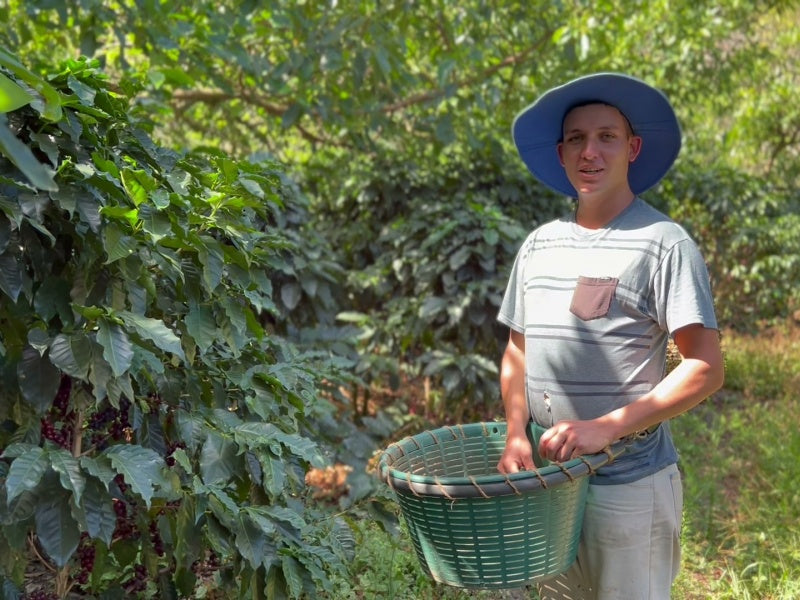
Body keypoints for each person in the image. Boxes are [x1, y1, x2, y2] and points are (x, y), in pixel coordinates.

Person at [495, 73, 724, 600]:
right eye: (576, 138)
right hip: (547, 486)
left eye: (607, 137)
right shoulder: (538, 246)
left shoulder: (665, 244)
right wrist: (514, 433)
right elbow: (516, 350)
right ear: (559, 152)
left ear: (633, 148)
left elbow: (705, 367)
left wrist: (608, 426)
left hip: (629, 486)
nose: (590, 152)